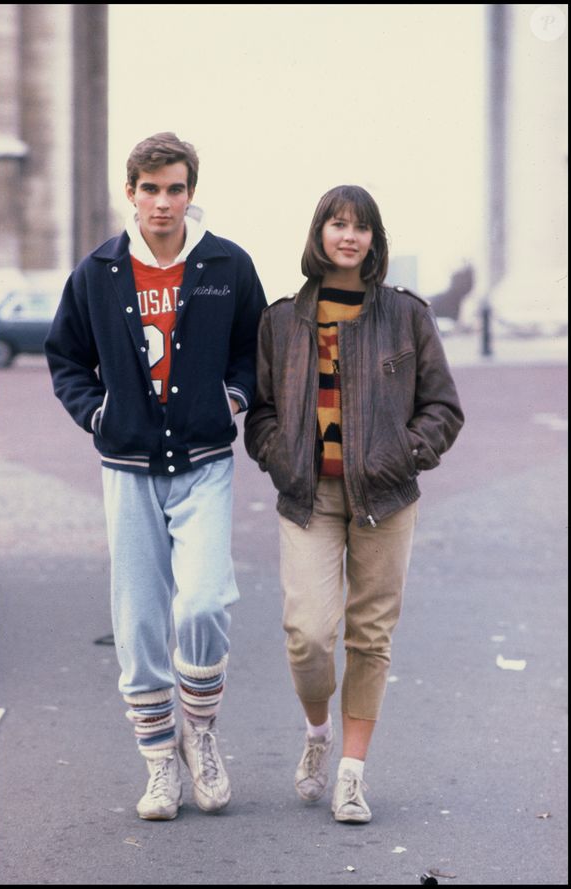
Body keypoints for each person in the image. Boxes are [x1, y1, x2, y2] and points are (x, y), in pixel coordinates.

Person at [45, 132, 267, 820]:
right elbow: (66, 358)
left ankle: (199, 732)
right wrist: (97, 413)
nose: (163, 201)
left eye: (175, 187)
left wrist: (231, 398)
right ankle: (158, 760)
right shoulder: (98, 271)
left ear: (190, 191)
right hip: (129, 465)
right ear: (130, 192)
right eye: (150, 188)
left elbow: (254, 348)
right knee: (139, 618)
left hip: (202, 462)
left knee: (201, 602)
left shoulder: (226, 264)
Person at [244, 185, 464, 823]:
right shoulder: (282, 320)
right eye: (337, 224)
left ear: (374, 239)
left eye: (360, 227)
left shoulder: (405, 316)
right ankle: (318, 734)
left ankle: (351, 773)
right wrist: (280, 455)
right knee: (308, 635)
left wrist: (402, 454)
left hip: (386, 499)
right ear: (319, 234)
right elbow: (259, 411)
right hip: (308, 497)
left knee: (370, 637)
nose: (349, 236)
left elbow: (443, 407)